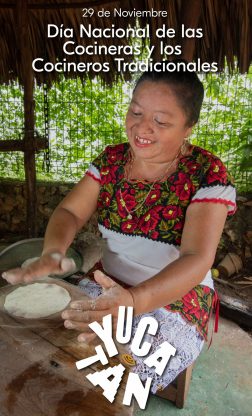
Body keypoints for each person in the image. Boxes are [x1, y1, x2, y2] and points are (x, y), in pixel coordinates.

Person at [2, 65, 236, 393]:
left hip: (176, 297)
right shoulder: (111, 161)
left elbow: (197, 257)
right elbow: (69, 210)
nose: (141, 127)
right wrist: (53, 251)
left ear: (188, 127)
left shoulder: (207, 173)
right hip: (107, 284)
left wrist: (133, 302)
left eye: (161, 121)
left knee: (117, 373)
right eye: (136, 111)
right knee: (59, 343)